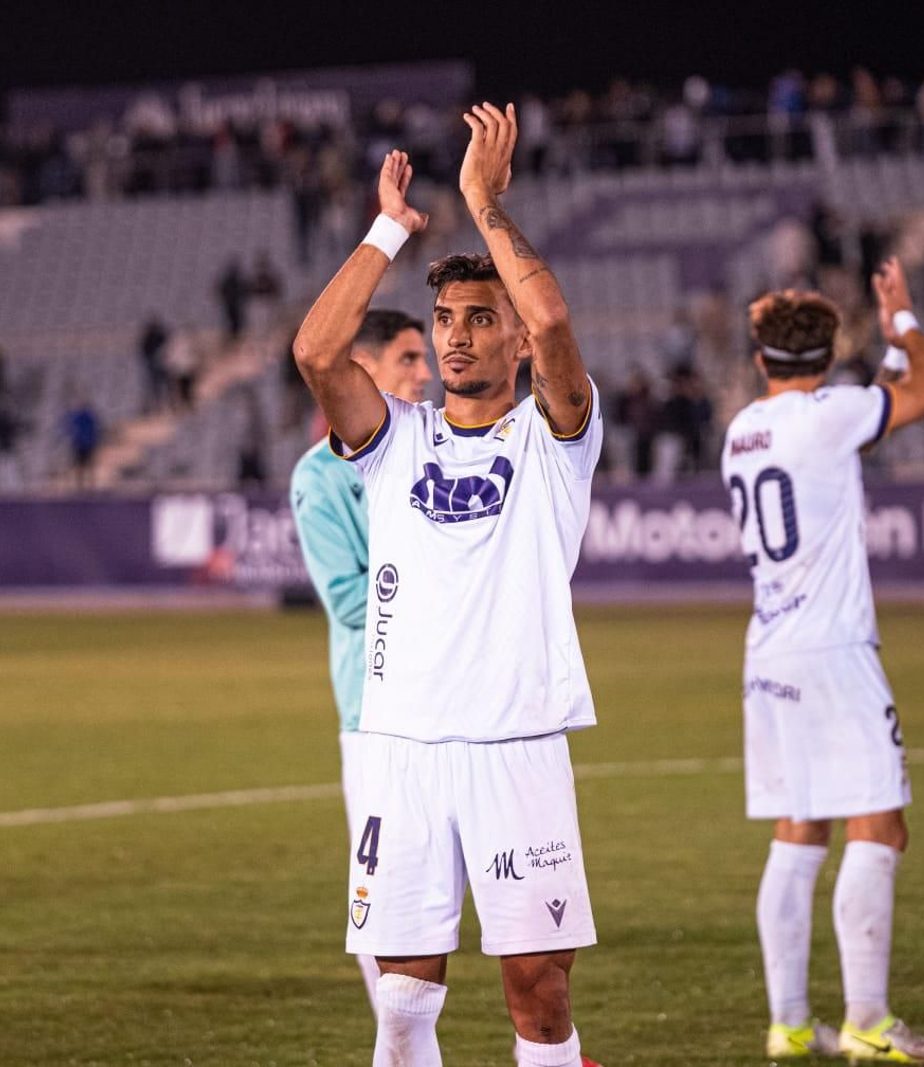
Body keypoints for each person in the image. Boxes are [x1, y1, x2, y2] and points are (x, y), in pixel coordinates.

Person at [292, 104, 604, 1067]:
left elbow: (550, 316)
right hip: (403, 750)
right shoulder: (396, 439)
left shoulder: (555, 440)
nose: (457, 337)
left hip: (517, 741)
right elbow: (314, 353)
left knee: (538, 995)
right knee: (401, 1001)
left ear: (511, 342)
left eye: (479, 320)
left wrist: (481, 203)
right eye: (444, 320)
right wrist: (390, 228)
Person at [719, 258, 924, 1063]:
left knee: (799, 828)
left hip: (770, 650)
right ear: (827, 359)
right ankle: (869, 1018)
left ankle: (789, 1023)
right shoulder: (830, 416)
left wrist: (877, 363)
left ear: (761, 360)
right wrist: (903, 323)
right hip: (833, 648)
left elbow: (866, 406)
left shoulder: (742, 428)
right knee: (880, 823)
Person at [289, 308, 432, 1014]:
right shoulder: (318, 477)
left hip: (448, 700)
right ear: (363, 366)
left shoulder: (429, 447)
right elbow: (347, 599)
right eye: (409, 358)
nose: (425, 372)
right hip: (372, 711)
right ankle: (398, 1042)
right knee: (384, 890)